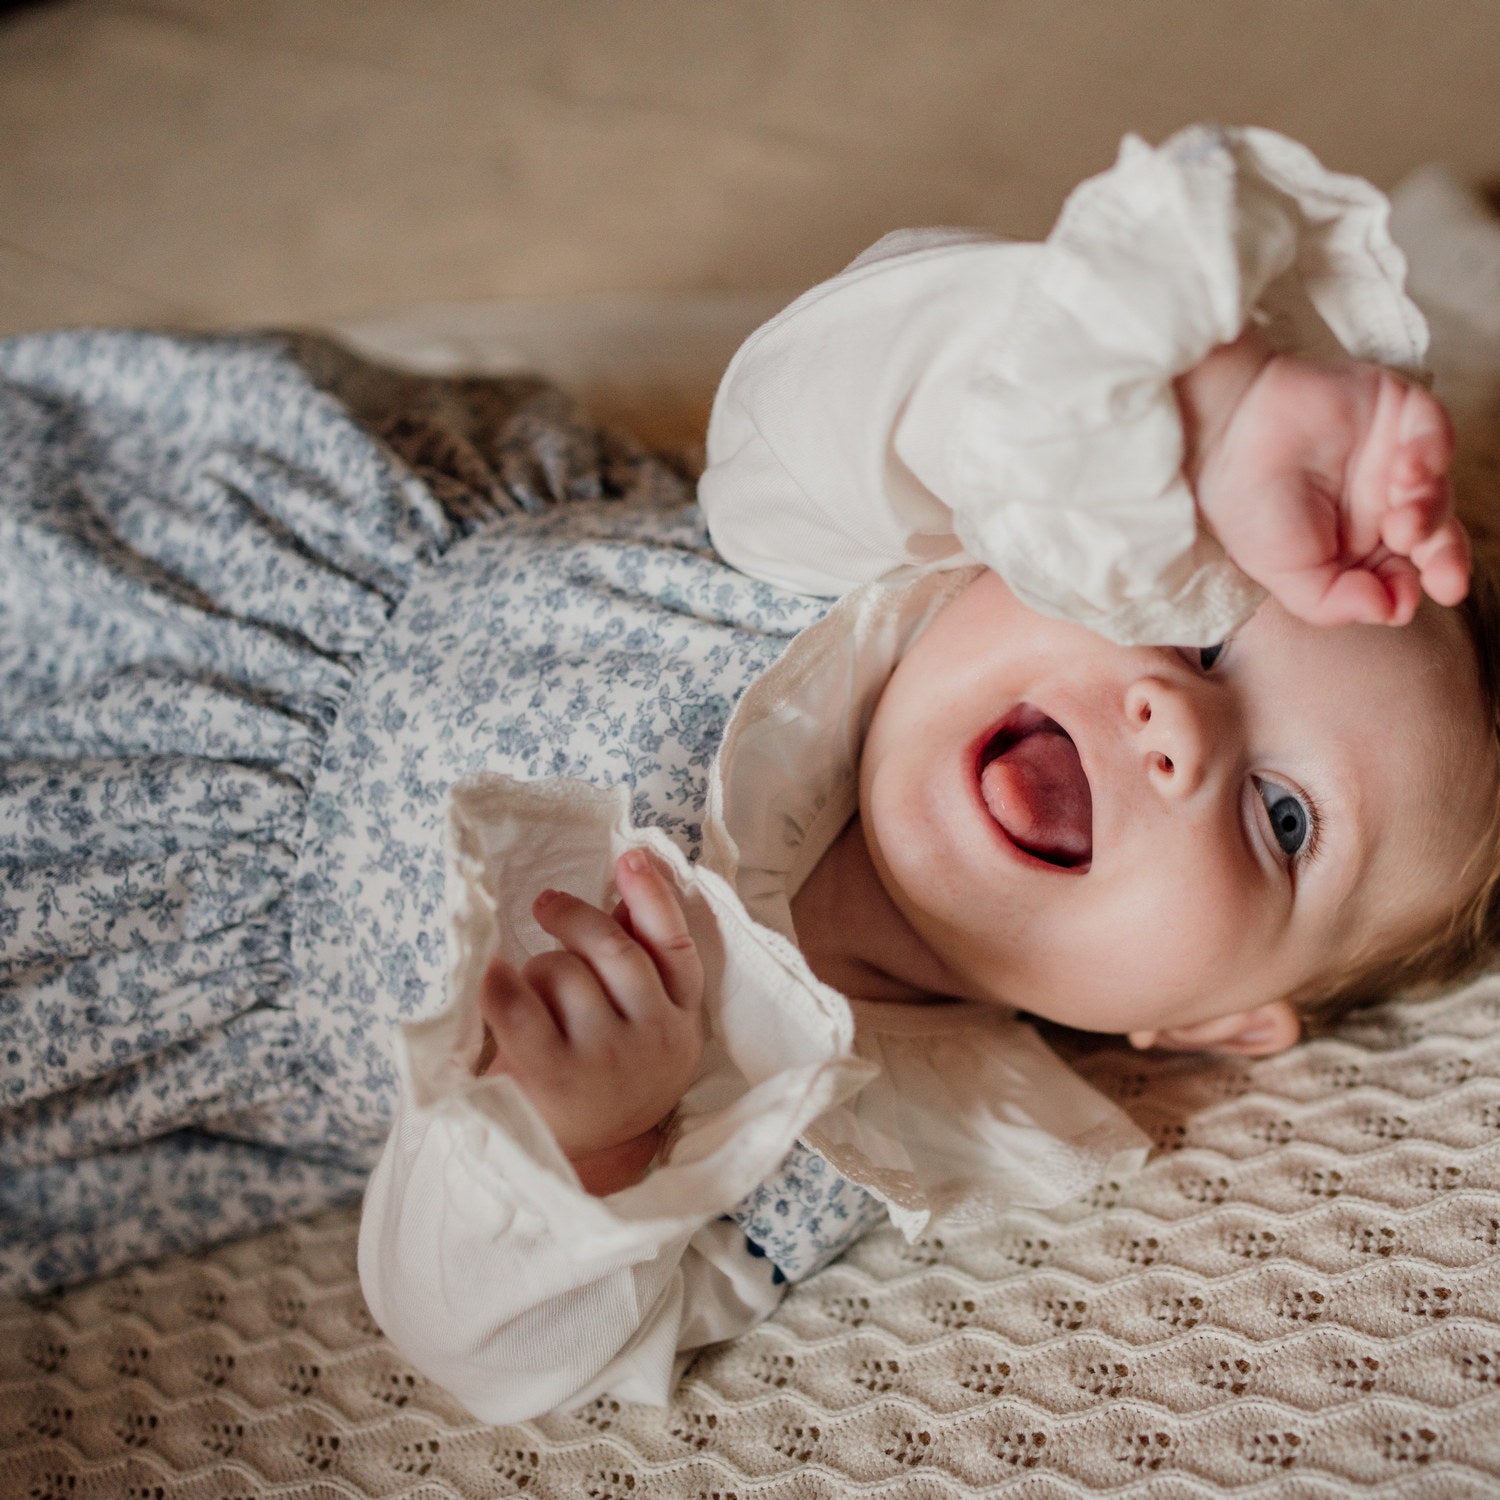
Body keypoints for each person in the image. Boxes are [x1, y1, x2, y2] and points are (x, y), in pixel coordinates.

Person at [1, 126, 1494, 1424]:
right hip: (189, 578)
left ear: (1212, 1025)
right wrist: (1196, 414)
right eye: (1203, 617)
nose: (1179, 722)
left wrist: (590, 1147)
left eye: (1284, 819)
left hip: (114, 946)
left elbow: (505, 1351)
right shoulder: (854, 552)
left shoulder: (850, 1140)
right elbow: (852, 362)